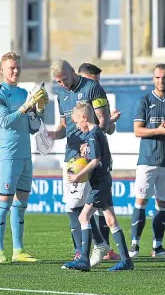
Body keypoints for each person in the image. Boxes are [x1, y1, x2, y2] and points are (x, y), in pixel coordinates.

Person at [49, 60, 111, 266]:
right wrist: (51, 135)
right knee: (72, 206)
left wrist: (90, 142)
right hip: (70, 155)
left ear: (73, 72)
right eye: (58, 82)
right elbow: (63, 127)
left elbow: (103, 121)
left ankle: (85, 252)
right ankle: (96, 246)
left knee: (88, 205)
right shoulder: (61, 95)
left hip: (88, 157)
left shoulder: (92, 87)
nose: (63, 84)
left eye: (64, 80)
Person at [0, 52, 47, 264]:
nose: (15, 71)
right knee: (3, 203)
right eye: (11, 67)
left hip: (24, 155)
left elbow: (34, 127)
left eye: (18, 67)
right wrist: (26, 106)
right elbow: (5, 122)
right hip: (7, 156)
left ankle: (18, 250)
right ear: (2, 70)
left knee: (21, 204)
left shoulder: (23, 92)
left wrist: (39, 109)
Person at [61, 102, 133, 272]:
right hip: (104, 181)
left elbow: (96, 160)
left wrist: (78, 175)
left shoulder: (93, 135)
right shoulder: (96, 133)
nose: (77, 126)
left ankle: (84, 260)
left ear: (84, 118)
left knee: (83, 217)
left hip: (100, 183)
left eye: (77, 122)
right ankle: (126, 260)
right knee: (110, 220)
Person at [129, 64, 165, 258]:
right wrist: (160, 131)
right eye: (157, 78)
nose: (161, 81)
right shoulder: (144, 101)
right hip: (147, 160)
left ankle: (158, 247)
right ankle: (134, 246)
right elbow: (138, 130)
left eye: (164, 78)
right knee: (141, 201)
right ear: (153, 79)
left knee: (163, 204)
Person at [78, 62, 121, 262]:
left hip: (99, 173)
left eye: (98, 82)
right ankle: (124, 259)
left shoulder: (94, 128)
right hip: (98, 171)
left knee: (84, 215)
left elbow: (105, 131)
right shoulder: (77, 100)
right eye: (93, 82)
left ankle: (86, 256)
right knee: (108, 216)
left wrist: (109, 122)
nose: (96, 87)